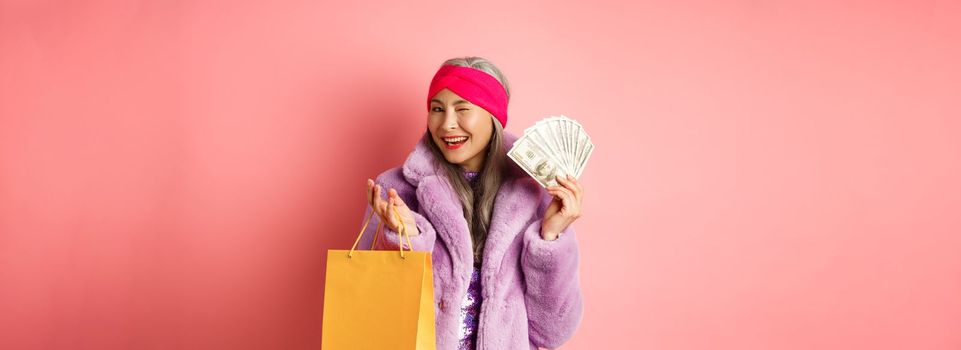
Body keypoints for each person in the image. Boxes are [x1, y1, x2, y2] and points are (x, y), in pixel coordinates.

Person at [359, 56, 584, 349]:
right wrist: (405, 238)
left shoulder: (534, 194)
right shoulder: (395, 190)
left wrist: (549, 238)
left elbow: (553, 331)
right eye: (437, 109)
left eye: (462, 109)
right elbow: (377, 309)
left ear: (493, 117)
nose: (447, 124)